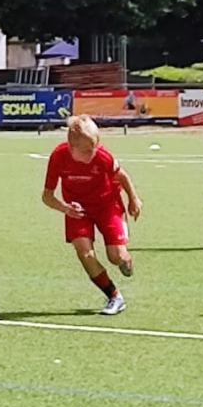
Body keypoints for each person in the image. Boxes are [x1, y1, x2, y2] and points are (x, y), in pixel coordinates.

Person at [42, 115, 142, 315]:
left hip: (108, 205)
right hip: (77, 210)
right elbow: (47, 196)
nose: (93, 153)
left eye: (95, 147)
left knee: (116, 257)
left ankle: (125, 259)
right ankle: (114, 296)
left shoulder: (102, 156)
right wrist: (65, 208)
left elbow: (122, 176)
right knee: (85, 253)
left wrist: (133, 199)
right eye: (87, 150)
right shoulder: (58, 157)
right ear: (72, 148)